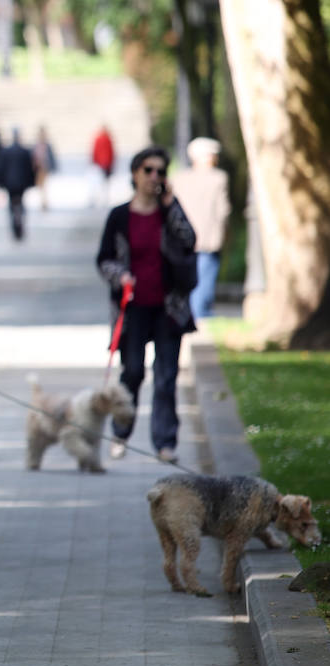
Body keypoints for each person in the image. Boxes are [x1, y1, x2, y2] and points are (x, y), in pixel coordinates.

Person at [96, 145, 197, 465]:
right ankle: (120, 432)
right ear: (135, 174)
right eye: (148, 170)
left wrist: (171, 204)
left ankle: (165, 443)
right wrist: (121, 275)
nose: (155, 176)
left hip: (169, 307)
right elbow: (103, 260)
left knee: (166, 376)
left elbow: (190, 239)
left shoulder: (169, 211)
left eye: (160, 171)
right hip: (134, 307)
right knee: (133, 372)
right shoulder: (119, 216)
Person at [168, 136, 230, 321]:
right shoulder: (218, 178)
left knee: (188, 277)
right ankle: (199, 313)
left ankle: (191, 311)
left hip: (183, 237)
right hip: (208, 237)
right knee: (205, 278)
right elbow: (223, 210)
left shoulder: (179, 178)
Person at [0, 128, 37, 241]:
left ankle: (14, 223)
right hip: (21, 183)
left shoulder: (5, 152)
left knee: (12, 204)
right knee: (21, 202)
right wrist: (32, 182)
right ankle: (20, 220)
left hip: (10, 183)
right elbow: (30, 170)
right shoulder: (25, 151)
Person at [32, 125, 57, 211]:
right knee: (41, 187)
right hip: (39, 168)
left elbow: (51, 157)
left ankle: (44, 202)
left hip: (44, 168)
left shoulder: (46, 145)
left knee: (43, 186)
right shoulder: (37, 144)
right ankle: (43, 202)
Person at [91, 124, 116, 206]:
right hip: (105, 163)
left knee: (101, 182)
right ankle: (101, 198)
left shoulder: (102, 139)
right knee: (102, 182)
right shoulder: (106, 139)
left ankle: (100, 198)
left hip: (103, 163)